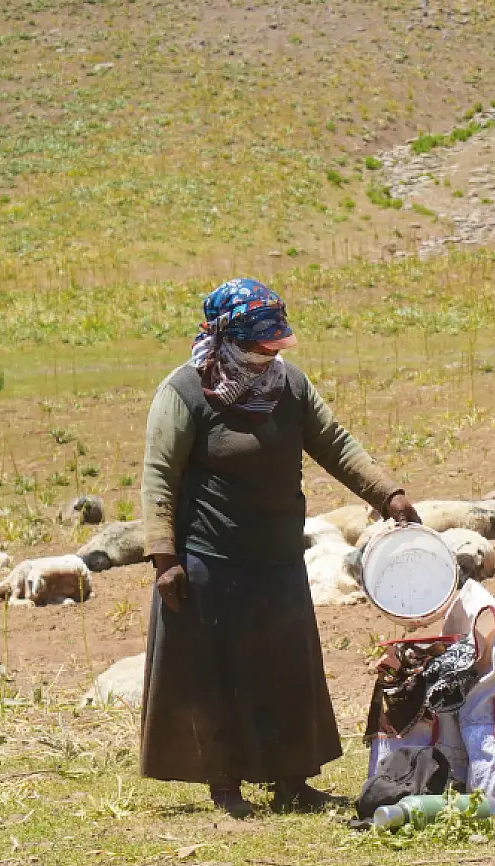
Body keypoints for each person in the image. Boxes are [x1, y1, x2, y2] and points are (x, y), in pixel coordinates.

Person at [140, 278, 420, 816]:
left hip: (277, 559)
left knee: (287, 673)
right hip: (208, 562)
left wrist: (389, 495)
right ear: (227, 337)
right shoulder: (184, 394)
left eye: (276, 344)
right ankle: (224, 783)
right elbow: (158, 479)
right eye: (259, 345)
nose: (270, 354)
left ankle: (292, 781)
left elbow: (335, 443)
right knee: (216, 675)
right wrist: (164, 559)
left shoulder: (288, 386)